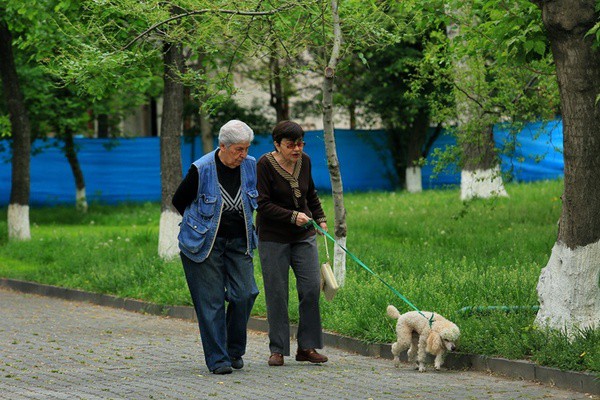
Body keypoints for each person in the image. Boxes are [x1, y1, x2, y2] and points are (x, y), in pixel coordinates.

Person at [172, 120, 259, 375]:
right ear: (223, 146)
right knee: (211, 303)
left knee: (246, 294)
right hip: (203, 245)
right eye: (238, 150)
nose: (243, 155)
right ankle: (218, 359)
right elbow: (179, 200)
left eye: (246, 149)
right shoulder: (202, 169)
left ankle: (233, 350)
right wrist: (200, 225)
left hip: (239, 242)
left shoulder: (251, 166)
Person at [256, 120, 329, 367]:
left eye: (300, 144)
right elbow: (262, 204)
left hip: (303, 235)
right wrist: (291, 216)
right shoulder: (264, 165)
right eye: (291, 145)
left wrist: (320, 218)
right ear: (277, 145)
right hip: (273, 237)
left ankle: (306, 348)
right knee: (277, 294)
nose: (297, 149)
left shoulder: (305, 161)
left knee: (310, 288)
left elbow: (311, 194)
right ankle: (278, 349)